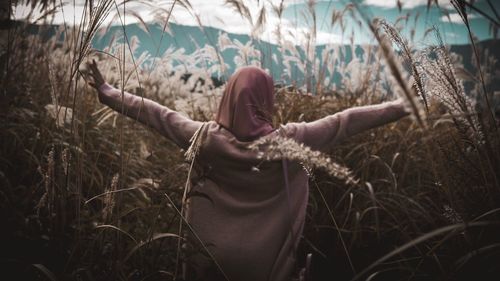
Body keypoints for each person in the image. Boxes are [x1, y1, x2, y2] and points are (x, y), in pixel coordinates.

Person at [86, 60, 409, 281]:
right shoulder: (292, 141)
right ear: (266, 100)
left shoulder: (204, 138)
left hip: (209, 260)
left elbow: (156, 113)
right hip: (267, 269)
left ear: (229, 96)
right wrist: (402, 105)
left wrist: (107, 91)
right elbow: (346, 121)